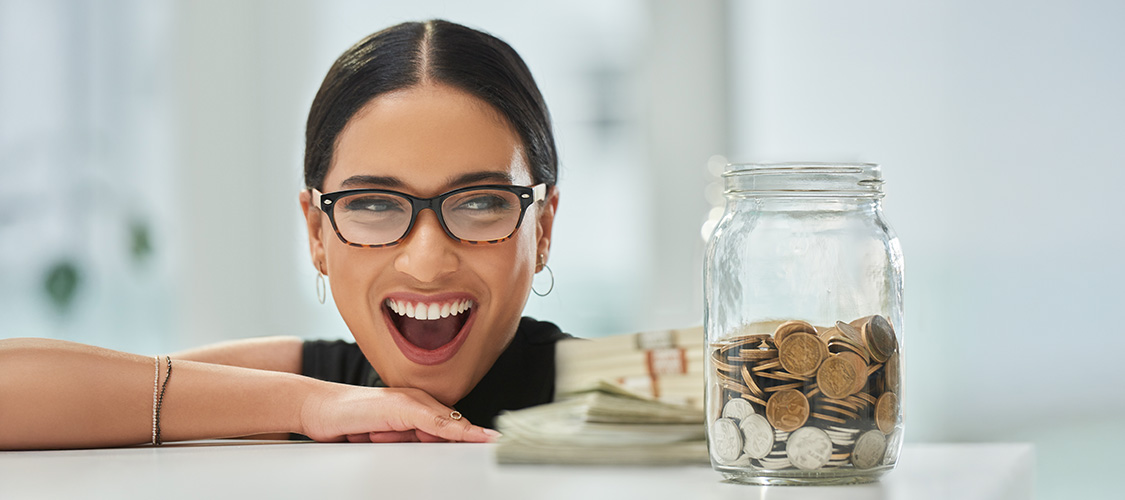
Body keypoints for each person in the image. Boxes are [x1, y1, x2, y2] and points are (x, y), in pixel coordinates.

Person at [0, 19, 568, 450]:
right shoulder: (320, 384)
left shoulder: (612, 386)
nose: (426, 262)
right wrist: (307, 405)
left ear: (541, 228)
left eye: (480, 204)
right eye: (372, 204)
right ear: (317, 233)